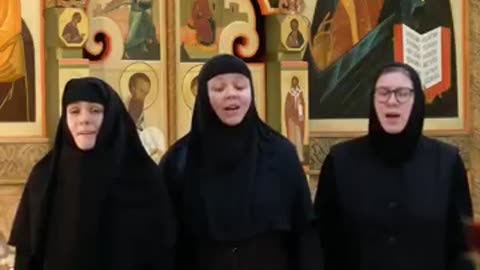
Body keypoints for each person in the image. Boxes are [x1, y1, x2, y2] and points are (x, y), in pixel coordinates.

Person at [158, 54, 318, 270]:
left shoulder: (281, 154)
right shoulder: (179, 160)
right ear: (204, 96)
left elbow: (304, 232)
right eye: (219, 88)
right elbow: (163, 240)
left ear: (251, 92)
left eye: (240, 87)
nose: (231, 94)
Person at [314, 63, 474, 270]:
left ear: (417, 101)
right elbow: (322, 244)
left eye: (402, 94)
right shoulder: (340, 161)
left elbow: (461, 250)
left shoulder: (447, 163)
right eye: (383, 93)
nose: (392, 101)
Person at [8, 77, 176, 270]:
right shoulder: (44, 176)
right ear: (65, 118)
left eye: (95, 110)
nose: (84, 119)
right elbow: (27, 255)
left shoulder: (143, 177)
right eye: (74, 111)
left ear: (111, 116)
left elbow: (163, 254)